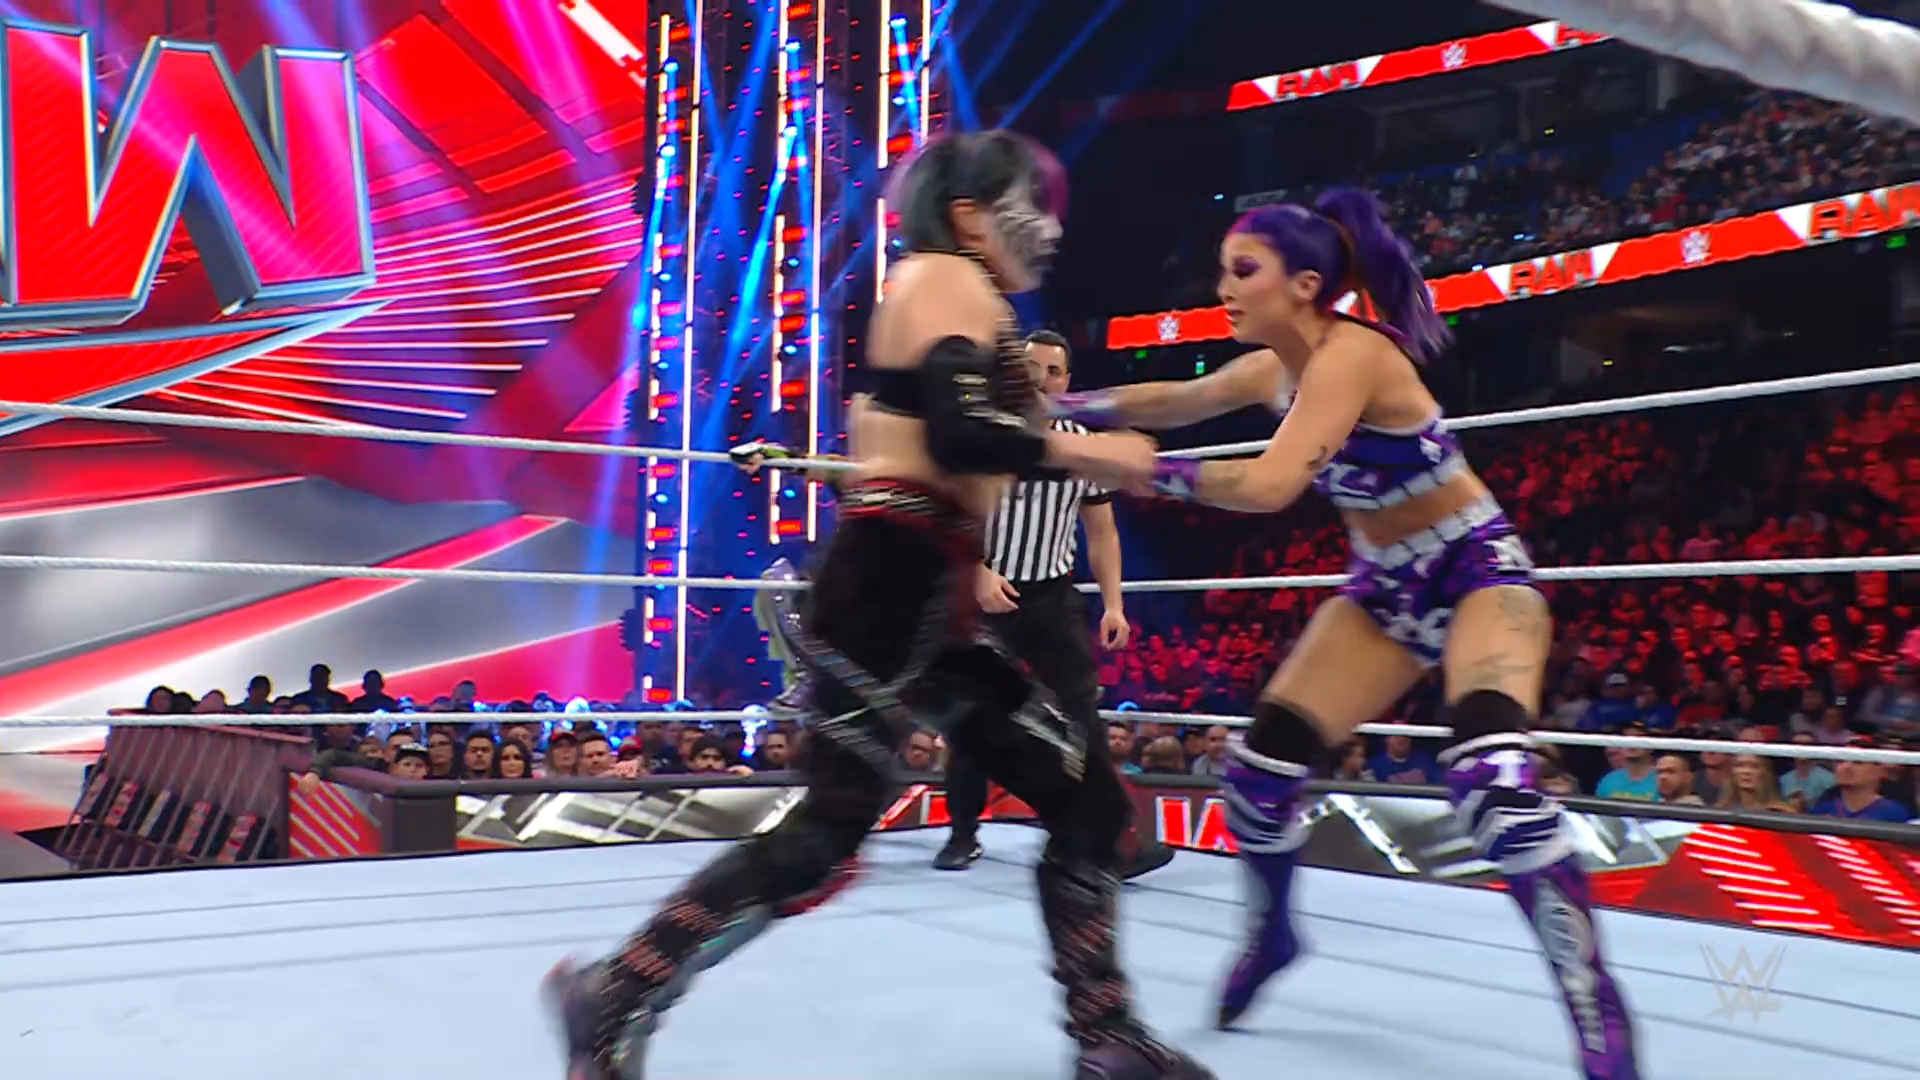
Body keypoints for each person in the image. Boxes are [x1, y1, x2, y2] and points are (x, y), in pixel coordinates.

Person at [544, 130, 1208, 1080]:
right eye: (1034, 204)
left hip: (926, 596)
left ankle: (1106, 1039)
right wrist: (1089, 453)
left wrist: (1225, 405)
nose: (1055, 228)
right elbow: (963, 430)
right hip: (890, 587)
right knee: (827, 835)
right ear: (972, 217)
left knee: (1089, 804)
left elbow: (1018, 420)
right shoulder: (944, 278)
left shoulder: (973, 304)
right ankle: (612, 993)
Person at [1050, 190, 1639, 1079]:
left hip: (1476, 574)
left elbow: (1269, 485)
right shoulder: (1272, 370)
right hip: (1385, 589)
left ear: (1304, 285)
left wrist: (1135, 468)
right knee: (1256, 777)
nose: (1223, 288)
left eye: (1243, 271)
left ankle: (1595, 1002)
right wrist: (1064, 409)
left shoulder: (1354, 355)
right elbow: (1177, 398)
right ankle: (1274, 933)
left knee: (1492, 785)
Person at [936, 328, 1172, 878]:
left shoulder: (1082, 443)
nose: (1042, 379)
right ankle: (962, 832)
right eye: (1031, 368)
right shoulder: (983, 433)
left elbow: (1102, 531)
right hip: (983, 590)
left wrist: (1114, 604)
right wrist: (977, 571)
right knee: (973, 712)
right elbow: (946, 512)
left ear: (1067, 381)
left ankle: (1106, 838)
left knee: (1081, 713)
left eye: (1054, 371)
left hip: (1051, 593)